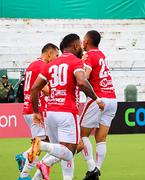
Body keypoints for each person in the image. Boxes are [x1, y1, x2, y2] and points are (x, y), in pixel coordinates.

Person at [28, 33, 105, 180]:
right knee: (70, 152)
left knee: (59, 152)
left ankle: (40, 176)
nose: (82, 48)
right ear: (75, 46)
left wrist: (37, 112)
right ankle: (41, 145)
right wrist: (96, 99)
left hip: (50, 113)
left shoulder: (50, 65)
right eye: (80, 46)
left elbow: (34, 89)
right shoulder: (76, 62)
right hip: (67, 113)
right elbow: (82, 82)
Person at [15, 43, 59, 180]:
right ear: (49, 53)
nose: (57, 59)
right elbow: (45, 89)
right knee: (38, 145)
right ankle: (24, 175)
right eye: (56, 55)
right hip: (36, 110)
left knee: (45, 140)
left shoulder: (32, 65)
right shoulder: (42, 66)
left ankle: (26, 161)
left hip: (28, 108)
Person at [79, 30, 117, 180]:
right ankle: (98, 169)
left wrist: (81, 64)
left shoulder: (90, 55)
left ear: (86, 42)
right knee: (101, 139)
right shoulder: (101, 54)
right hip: (112, 99)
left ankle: (92, 168)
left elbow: (86, 76)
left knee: (82, 135)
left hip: (98, 98)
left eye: (83, 40)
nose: (82, 42)